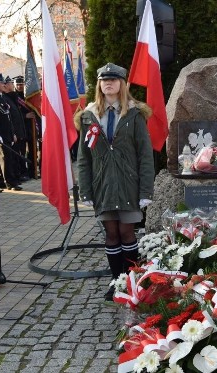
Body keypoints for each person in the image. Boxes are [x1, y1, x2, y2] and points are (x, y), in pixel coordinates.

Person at [77, 63, 155, 301]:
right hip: (103, 186)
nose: (108, 83)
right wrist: (86, 189)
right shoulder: (89, 116)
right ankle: (115, 282)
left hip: (128, 185)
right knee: (111, 234)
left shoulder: (134, 114)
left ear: (122, 84)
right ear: (99, 85)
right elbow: (83, 157)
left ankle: (131, 282)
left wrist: (146, 190)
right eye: (103, 80)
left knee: (127, 232)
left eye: (113, 80)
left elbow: (145, 154)